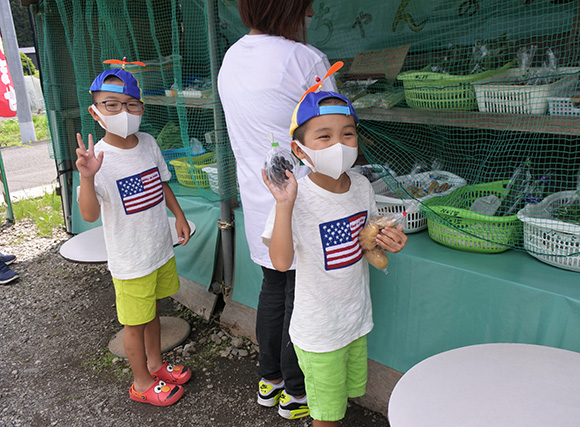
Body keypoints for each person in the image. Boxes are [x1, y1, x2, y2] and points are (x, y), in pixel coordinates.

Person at [217, 0, 337, 419]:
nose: (309, 14)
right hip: (302, 197)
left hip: (258, 193)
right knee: (299, 295)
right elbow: (331, 130)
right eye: (304, 7)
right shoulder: (303, 59)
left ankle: (270, 380)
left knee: (274, 285)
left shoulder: (231, 58)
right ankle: (297, 391)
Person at [261, 90, 408, 426]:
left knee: (343, 398)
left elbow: (367, 242)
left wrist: (388, 243)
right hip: (320, 330)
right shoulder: (295, 197)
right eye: (323, 136)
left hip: (355, 318)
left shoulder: (361, 186)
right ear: (299, 150)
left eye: (347, 134)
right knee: (326, 416)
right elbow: (281, 262)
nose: (338, 145)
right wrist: (284, 205)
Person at [75, 68, 192, 407]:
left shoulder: (148, 143)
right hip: (130, 260)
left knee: (153, 311)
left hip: (157, 248)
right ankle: (141, 382)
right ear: (95, 111)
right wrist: (86, 177)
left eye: (132, 104)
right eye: (111, 104)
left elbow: (162, 182)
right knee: (133, 324)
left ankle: (155, 365)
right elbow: (88, 214)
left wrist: (179, 217)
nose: (123, 112)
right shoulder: (97, 159)